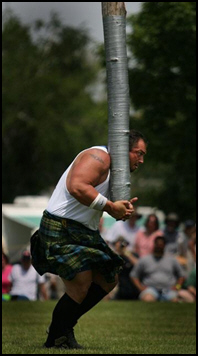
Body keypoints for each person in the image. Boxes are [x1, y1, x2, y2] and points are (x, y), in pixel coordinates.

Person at [30, 129, 147, 349]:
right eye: (138, 153)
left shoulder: (116, 170)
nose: (141, 160)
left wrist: (120, 209)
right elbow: (77, 186)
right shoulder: (98, 156)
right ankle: (58, 336)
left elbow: (100, 201)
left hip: (84, 230)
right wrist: (111, 206)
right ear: (123, 149)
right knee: (81, 282)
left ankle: (61, 328)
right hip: (61, 226)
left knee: (108, 277)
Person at [130, 236, 185, 302]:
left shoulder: (172, 259)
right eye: (157, 244)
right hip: (150, 289)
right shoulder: (144, 259)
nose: (159, 247)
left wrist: (177, 287)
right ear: (154, 244)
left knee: (175, 300)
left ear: (164, 246)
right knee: (148, 299)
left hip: (168, 290)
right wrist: (141, 288)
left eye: (161, 245)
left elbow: (182, 275)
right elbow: (133, 275)